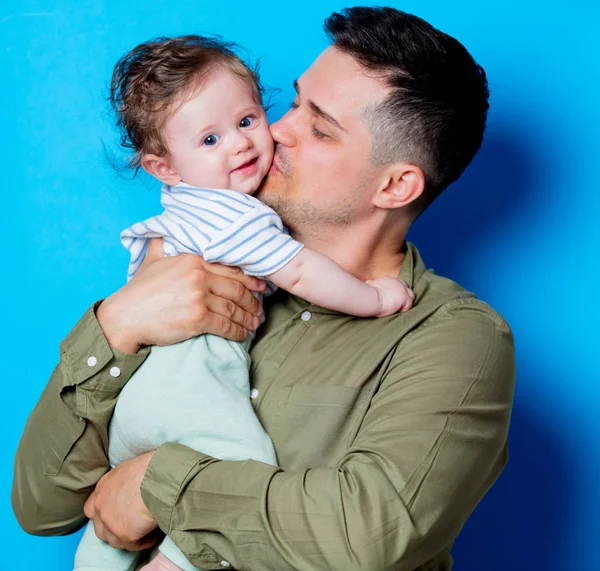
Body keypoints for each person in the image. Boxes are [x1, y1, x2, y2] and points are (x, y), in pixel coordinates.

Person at [12, 6, 516, 571]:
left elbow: (367, 534)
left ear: (396, 185)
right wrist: (118, 324)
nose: (276, 130)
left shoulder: (453, 339)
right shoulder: (191, 267)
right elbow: (41, 509)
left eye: (319, 127)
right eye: (294, 102)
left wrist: (160, 482)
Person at [73, 34, 413, 571]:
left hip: (134, 402)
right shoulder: (235, 216)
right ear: (165, 167)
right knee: (242, 468)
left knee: (113, 524)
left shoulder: (183, 208)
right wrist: (371, 298)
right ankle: (175, 565)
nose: (244, 144)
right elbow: (299, 268)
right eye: (210, 140)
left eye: (248, 120)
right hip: (190, 380)